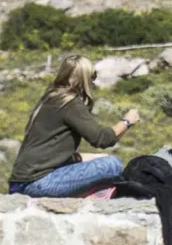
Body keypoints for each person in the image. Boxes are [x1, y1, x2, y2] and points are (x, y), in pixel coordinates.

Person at [8, 55, 139, 198]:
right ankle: (87, 195)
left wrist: (94, 157)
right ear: (85, 78)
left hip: (20, 183)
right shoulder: (70, 103)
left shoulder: (51, 97)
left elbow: (53, 153)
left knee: (101, 159)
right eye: (92, 76)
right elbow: (102, 139)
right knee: (113, 164)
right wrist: (127, 121)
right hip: (37, 183)